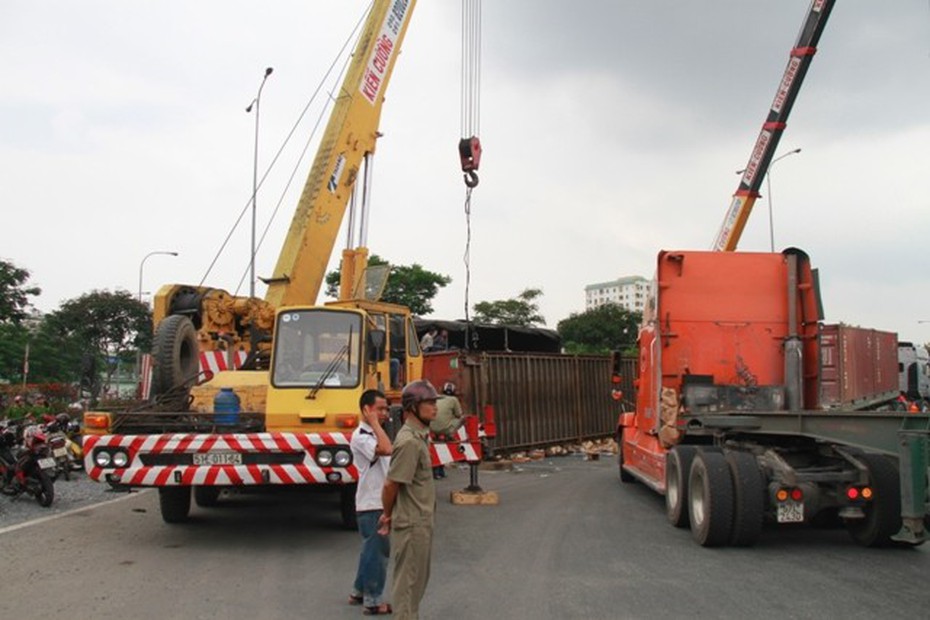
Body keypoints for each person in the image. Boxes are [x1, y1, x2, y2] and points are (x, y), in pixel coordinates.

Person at [379, 380, 439, 620]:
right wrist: (387, 514)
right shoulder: (409, 442)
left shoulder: (420, 436)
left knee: (417, 583)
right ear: (413, 407)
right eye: (430, 403)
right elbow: (391, 484)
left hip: (420, 522)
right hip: (412, 523)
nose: (435, 408)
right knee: (408, 587)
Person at [349, 389, 394, 616]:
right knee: (377, 551)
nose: (385, 413)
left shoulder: (375, 433)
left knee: (369, 548)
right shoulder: (362, 436)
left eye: (386, 409)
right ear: (366, 410)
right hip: (372, 503)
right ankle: (373, 601)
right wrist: (375, 422)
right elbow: (386, 450)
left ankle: (358, 591)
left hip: (376, 501)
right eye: (379, 409)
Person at [429, 382, 465, 479]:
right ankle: (450, 435)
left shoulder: (436, 398)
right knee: (462, 418)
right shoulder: (453, 399)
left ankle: (437, 471)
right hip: (445, 429)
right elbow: (458, 414)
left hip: (431, 428)